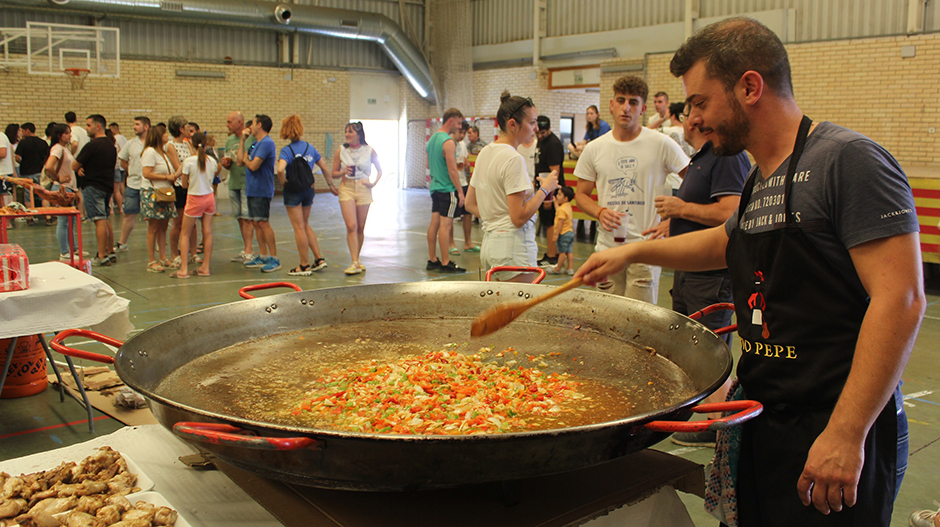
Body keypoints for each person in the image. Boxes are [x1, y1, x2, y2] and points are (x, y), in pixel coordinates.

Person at [576, 17, 925, 526]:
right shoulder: (761, 177)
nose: (692, 119)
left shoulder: (847, 162)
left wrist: (846, 434)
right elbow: (725, 242)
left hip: (834, 425)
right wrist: (632, 254)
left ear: (750, 86)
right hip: (767, 418)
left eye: (699, 101)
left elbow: (902, 300)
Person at [657, 104, 750, 447]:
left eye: (696, 108)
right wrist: (673, 223)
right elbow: (705, 211)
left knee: (709, 350)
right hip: (691, 273)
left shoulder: (726, 157)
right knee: (692, 347)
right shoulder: (703, 157)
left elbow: (731, 212)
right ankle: (708, 419)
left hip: (711, 275)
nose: (688, 119)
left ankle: (719, 428)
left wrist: (680, 209)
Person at [573, 76, 689, 304]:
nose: (626, 108)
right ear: (611, 104)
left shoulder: (661, 143)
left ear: (643, 108)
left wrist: (673, 221)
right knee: (608, 322)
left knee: (639, 325)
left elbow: (694, 181)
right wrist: (599, 212)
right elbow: (581, 195)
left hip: (644, 251)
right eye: (621, 100)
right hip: (608, 249)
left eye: (633, 102)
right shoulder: (594, 149)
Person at [465, 92, 559, 282]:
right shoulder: (513, 159)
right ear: (513, 124)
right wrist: (545, 190)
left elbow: (470, 204)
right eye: (531, 122)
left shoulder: (485, 153)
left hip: (491, 247)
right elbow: (518, 218)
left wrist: (498, 216)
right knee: (518, 310)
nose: (535, 128)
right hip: (513, 249)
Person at [276, 114, 337, 276]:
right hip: (308, 190)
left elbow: (280, 169)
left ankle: (304, 265)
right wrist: (330, 184)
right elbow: (324, 167)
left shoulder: (286, 150)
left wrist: (283, 183)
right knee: (305, 223)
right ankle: (318, 259)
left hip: (293, 191)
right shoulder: (310, 148)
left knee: (298, 227)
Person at [332, 121, 382, 275]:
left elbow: (379, 170)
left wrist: (372, 183)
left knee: (360, 227)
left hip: (363, 189)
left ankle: (357, 259)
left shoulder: (369, 150)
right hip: (346, 188)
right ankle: (354, 261)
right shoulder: (341, 150)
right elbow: (333, 173)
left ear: (359, 134)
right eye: (346, 131)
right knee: (351, 225)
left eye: (350, 132)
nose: (347, 134)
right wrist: (342, 172)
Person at [170, 132, 219, 279]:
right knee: (207, 231)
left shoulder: (189, 161)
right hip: (209, 197)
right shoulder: (212, 161)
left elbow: (184, 185)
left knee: (185, 233)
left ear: (192, 144)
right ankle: (205, 267)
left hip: (195, 198)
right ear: (206, 144)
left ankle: (183, 269)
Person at [72, 114, 118, 266]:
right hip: (107, 186)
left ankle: (102, 255)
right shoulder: (111, 146)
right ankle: (110, 250)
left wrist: (79, 169)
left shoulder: (92, 146)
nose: (86, 128)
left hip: (93, 186)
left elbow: (75, 165)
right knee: (104, 218)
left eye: (88, 125)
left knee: (99, 219)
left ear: (98, 126)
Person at [425, 108, 466, 273]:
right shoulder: (448, 142)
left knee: (434, 223)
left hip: (434, 188)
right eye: (458, 123)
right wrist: (460, 192)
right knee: (445, 225)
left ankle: (432, 259)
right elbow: (452, 170)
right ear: (451, 121)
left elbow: (428, 165)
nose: (459, 126)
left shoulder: (432, 139)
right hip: (447, 188)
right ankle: (445, 262)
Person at [238, 113, 280, 273]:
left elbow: (253, 165)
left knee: (263, 222)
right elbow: (240, 161)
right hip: (252, 188)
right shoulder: (255, 144)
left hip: (262, 189)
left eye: (253, 123)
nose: (250, 127)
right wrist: (242, 140)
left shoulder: (267, 143)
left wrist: (247, 160)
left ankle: (274, 258)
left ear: (260, 125)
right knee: (256, 223)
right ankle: (263, 255)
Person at [140, 126, 178, 273]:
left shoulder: (162, 152)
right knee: (153, 227)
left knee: (163, 226)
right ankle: (151, 260)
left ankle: (163, 257)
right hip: (153, 193)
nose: (167, 135)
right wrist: (166, 177)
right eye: (165, 133)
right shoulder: (150, 152)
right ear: (158, 136)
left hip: (165, 192)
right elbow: (147, 173)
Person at [221, 112, 256, 263]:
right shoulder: (229, 140)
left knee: (248, 217)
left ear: (240, 122)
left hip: (246, 182)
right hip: (233, 182)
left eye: (230, 122)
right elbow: (231, 159)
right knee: (240, 218)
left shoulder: (251, 139)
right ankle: (246, 248)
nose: (227, 125)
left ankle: (249, 250)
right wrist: (226, 165)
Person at [43, 124, 83, 260]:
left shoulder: (65, 149)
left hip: (69, 188)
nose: (70, 135)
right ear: (60, 135)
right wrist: (58, 178)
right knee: (63, 222)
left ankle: (73, 249)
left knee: (71, 221)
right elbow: (48, 166)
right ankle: (64, 252)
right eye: (67, 133)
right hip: (62, 188)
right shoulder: (57, 149)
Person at [534, 115, 566, 267]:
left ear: (549, 129)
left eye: (543, 133)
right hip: (543, 187)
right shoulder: (541, 142)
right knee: (548, 222)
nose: (540, 136)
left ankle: (552, 256)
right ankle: (553, 253)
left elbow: (555, 173)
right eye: (538, 133)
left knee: (551, 222)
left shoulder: (552, 144)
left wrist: (548, 196)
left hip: (550, 191)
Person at [165, 115, 196, 269]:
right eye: (186, 126)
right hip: (179, 186)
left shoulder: (188, 144)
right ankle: (173, 253)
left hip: (191, 186)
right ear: (180, 129)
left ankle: (193, 252)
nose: (189, 129)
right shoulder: (171, 146)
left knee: (192, 221)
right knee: (178, 222)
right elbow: (178, 165)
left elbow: (195, 160)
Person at [116, 116, 149, 252]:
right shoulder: (130, 144)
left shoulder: (153, 143)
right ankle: (122, 243)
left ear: (146, 126)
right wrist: (131, 171)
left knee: (152, 216)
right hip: (133, 184)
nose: (134, 127)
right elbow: (123, 160)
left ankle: (157, 243)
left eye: (137, 124)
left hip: (149, 185)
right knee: (129, 214)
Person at [448, 120, 477, 255]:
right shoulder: (449, 144)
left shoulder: (463, 145)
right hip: (452, 184)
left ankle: (468, 242)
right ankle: (451, 243)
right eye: (461, 132)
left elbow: (464, 161)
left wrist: (465, 163)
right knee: (450, 215)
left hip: (464, 182)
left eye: (464, 133)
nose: (463, 136)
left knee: (467, 213)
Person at [14, 123, 50, 211]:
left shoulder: (23, 142)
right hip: (40, 172)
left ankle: (30, 217)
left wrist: (23, 162)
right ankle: (48, 216)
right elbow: (47, 157)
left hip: (26, 173)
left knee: (28, 196)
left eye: (22, 131)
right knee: (43, 195)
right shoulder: (43, 142)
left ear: (27, 131)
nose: (22, 134)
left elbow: (17, 158)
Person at [547, 186, 575, 275]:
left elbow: (560, 224)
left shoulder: (562, 210)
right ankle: (570, 268)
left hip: (563, 234)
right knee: (569, 251)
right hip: (570, 232)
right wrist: (555, 202)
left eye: (559, 194)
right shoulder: (567, 207)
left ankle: (558, 268)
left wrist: (556, 235)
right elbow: (558, 210)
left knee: (562, 252)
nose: (557, 196)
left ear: (565, 198)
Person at [109, 122, 127, 213]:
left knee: (115, 189)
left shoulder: (115, 139)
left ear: (115, 129)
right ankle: (123, 202)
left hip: (116, 164)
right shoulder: (124, 138)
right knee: (121, 184)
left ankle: (112, 209)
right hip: (122, 164)